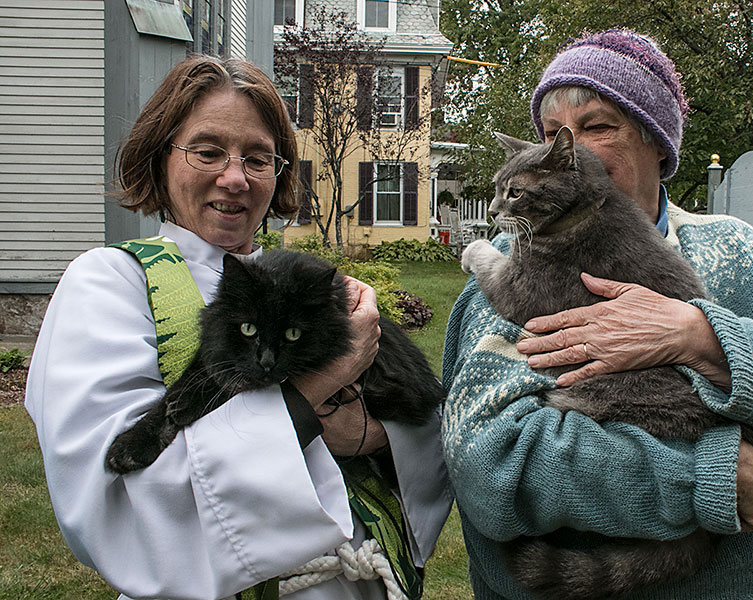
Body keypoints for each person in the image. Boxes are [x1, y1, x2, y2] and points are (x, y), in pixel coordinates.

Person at [441, 29, 753, 599]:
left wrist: (701, 337)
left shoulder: (732, 249)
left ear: (657, 143)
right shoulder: (514, 268)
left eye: (597, 126)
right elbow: (489, 468)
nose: (572, 152)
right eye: (551, 135)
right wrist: (706, 476)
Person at [25, 55, 451, 600]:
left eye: (258, 158)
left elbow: (426, 435)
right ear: (160, 157)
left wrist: (370, 432)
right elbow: (115, 493)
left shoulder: (304, 287)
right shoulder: (111, 283)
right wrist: (318, 391)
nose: (234, 177)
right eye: (207, 152)